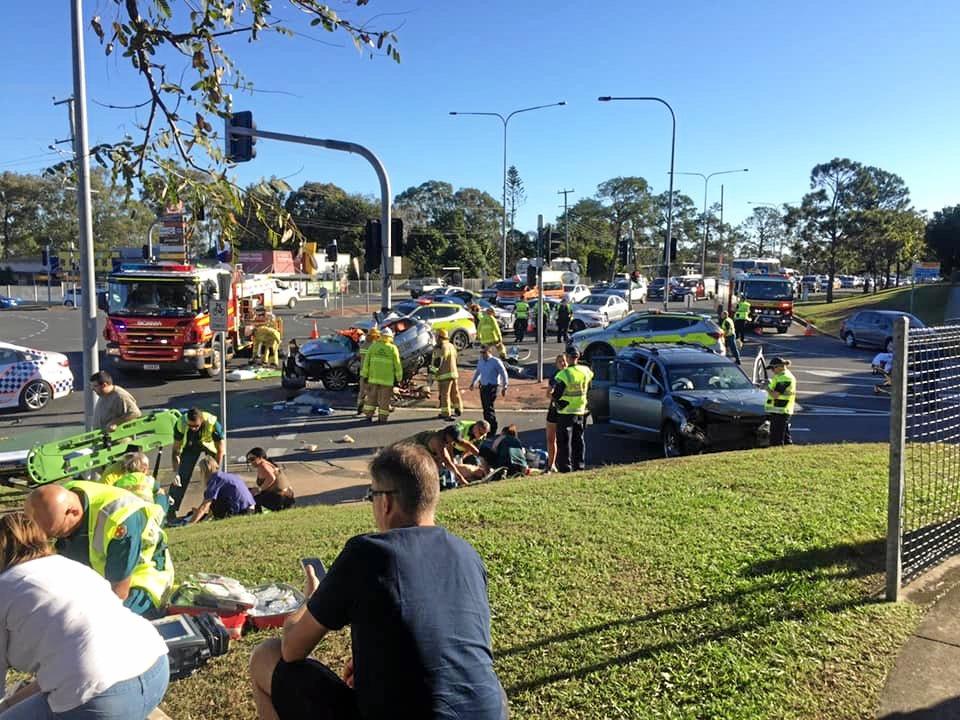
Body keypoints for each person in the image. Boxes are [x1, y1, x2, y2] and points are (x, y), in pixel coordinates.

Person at [248, 443, 507, 720]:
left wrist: (311, 597)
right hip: (488, 711)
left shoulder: (368, 552)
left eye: (371, 494)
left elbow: (291, 649)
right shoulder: (466, 554)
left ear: (386, 502)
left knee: (266, 655)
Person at [0, 512, 169, 719]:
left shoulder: (4, 588)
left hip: (102, 701)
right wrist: (9, 703)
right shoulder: (68, 565)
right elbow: (71, 661)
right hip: (155, 670)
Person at [26, 481, 174, 618]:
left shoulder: (119, 520)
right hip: (100, 577)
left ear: (74, 512)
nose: (55, 539)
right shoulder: (66, 497)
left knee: (117, 621)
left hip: (141, 577)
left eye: (57, 534)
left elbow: (119, 591)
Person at [169, 407, 225, 517]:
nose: (193, 428)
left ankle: (217, 507)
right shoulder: (180, 424)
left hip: (209, 445)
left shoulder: (213, 424)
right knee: (181, 476)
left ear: (202, 421)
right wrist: (176, 472)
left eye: (196, 426)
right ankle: (171, 511)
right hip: (190, 445)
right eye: (190, 426)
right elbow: (176, 450)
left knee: (214, 477)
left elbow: (220, 450)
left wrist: (217, 470)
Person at [552, 346, 594, 473]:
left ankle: (565, 467)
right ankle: (579, 465)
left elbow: (557, 394)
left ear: (568, 357)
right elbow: (589, 387)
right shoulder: (586, 371)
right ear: (578, 356)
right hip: (580, 409)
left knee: (564, 441)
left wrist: (555, 400)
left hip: (566, 411)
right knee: (578, 440)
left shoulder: (564, 374)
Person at [407, 425, 486, 486]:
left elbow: (465, 444)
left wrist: (482, 457)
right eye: (452, 440)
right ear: (448, 436)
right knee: (434, 469)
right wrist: (462, 480)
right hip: (411, 449)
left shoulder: (447, 435)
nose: (452, 442)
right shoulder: (438, 442)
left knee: (441, 465)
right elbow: (448, 463)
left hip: (425, 449)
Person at [188, 456, 256, 523]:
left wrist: (190, 524)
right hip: (250, 507)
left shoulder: (215, 480)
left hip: (243, 511)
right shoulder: (225, 475)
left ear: (204, 470)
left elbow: (205, 506)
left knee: (212, 500)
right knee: (215, 498)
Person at [104, 450, 169, 514]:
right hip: (146, 513)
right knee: (161, 492)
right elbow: (157, 489)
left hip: (126, 512)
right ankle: (163, 516)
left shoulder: (119, 481)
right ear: (144, 469)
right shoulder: (149, 480)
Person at [361, 327, 402, 424]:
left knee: (371, 398)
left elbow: (366, 362)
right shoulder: (392, 348)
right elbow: (397, 364)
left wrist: (365, 375)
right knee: (384, 400)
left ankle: (368, 416)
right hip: (387, 380)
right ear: (390, 337)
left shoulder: (373, 347)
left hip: (373, 378)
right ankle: (382, 419)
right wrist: (398, 379)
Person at [470, 345, 509, 437]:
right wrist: (473, 383)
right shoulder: (481, 361)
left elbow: (504, 374)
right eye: (481, 353)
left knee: (488, 407)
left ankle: (492, 428)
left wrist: (505, 387)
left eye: (484, 352)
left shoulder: (495, 362)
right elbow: (478, 372)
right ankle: (486, 427)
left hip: (492, 387)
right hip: (483, 387)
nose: (482, 354)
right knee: (485, 408)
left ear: (489, 352)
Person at [247, 447, 296, 512]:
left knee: (253, 497)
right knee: (254, 494)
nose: (250, 462)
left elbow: (272, 477)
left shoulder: (263, 466)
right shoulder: (268, 464)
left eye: (252, 459)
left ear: (260, 458)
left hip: (279, 497)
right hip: (287, 496)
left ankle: (256, 515)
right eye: (248, 460)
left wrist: (259, 489)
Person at [430, 328, 462, 421]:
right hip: (454, 374)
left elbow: (438, 362)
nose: (436, 339)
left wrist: (433, 373)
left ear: (440, 337)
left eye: (437, 337)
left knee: (445, 395)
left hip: (444, 375)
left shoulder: (441, 347)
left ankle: (445, 413)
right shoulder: (451, 346)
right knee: (454, 392)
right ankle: (458, 408)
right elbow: (456, 359)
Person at [545, 353, 569, 473]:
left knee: (564, 438)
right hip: (554, 408)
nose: (562, 364)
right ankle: (551, 465)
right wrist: (553, 395)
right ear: (556, 364)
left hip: (566, 410)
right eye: (560, 361)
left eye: (564, 361)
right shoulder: (554, 375)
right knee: (550, 438)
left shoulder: (570, 374)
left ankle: (564, 464)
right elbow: (548, 393)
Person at [765, 356, 796, 446]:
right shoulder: (780, 376)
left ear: (779, 366)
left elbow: (775, 395)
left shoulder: (785, 378)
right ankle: (789, 452)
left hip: (781, 411)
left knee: (776, 439)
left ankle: (776, 454)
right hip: (779, 410)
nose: (772, 371)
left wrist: (766, 388)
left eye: (773, 368)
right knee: (785, 438)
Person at [356, 327, 380, 416]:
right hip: (372, 373)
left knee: (362, 391)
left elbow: (358, 355)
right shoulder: (375, 346)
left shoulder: (364, 344)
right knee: (373, 393)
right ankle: (372, 410)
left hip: (363, 372)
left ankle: (359, 407)